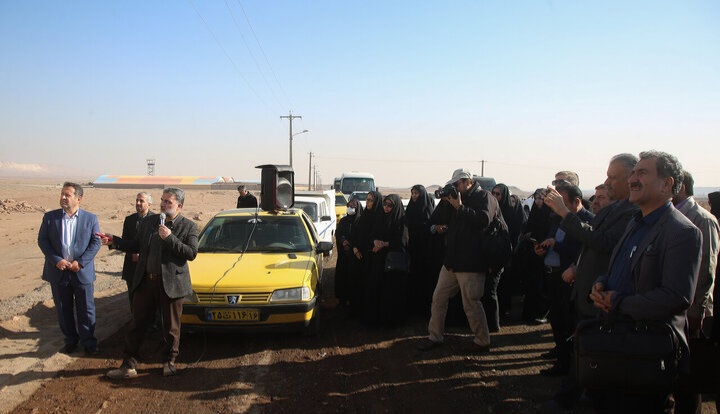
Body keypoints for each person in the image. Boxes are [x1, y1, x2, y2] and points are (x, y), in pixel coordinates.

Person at [590, 150, 701, 414]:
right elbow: (621, 268)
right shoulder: (635, 223)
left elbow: (676, 297)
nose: (632, 180)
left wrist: (619, 302)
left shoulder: (682, 232)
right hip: (615, 344)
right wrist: (602, 283)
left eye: (642, 173)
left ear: (667, 184)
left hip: (646, 355)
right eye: (633, 173)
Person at [537, 153, 639, 413]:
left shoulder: (631, 213)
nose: (608, 182)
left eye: (613, 177)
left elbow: (601, 243)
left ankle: (570, 399)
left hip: (603, 296)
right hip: (589, 290)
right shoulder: (614, 210)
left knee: (592, 350)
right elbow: (590, 245)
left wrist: (564, 212)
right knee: (582, 346)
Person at [105, 187, 199, 379]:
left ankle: (169, 361)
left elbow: (191, 253)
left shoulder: (188, 226)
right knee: (137, 324)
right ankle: (129, 365)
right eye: (162, 200)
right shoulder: (149, 222)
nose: (163, 204)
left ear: (179, 206)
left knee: (171, 327)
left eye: (168, 202)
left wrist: (169, 238)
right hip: (146, 282)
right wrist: (114, 241)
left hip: (171, 284)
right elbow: (135, 245)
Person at [418, 168, 499, 353]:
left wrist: (459, 207)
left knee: (471, 303)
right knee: (438, 298)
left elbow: (484, 220)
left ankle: (482, 341)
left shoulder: (484, 197)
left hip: (471, 262)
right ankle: (435, 337)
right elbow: (438, 219)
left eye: (457, 184)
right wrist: (446, 200)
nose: (455, 187)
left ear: (467, 181)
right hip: (452, 261)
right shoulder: (456, 199)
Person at [536, 182, 594, 376]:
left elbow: (582, 251)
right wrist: (543, 249)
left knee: (567, 322)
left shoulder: (587, 222)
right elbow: (552, 239)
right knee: (556, 319)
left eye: (562, 202)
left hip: (568, 279)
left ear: (576, 201)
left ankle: (568, 364)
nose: (557, 206)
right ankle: (560, 357)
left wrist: (556, 245)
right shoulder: (557, 218)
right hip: (553, 275)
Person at [37, 182, 102, 355]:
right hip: (58, 272)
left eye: (68, 195)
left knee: (86, 309)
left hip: (81, 271)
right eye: (62, 194)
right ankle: (70, 341)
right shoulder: (50, 218)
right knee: (63, 309)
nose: (63, 197)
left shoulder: (90, 219)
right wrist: (56, 260)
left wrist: (80, 262)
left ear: (78, 198)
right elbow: (43, 240)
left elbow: (96, 242)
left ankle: (89, 342)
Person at [672, 170, 719, 337]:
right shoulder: (672, 216)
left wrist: (697, 310)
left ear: (681, 188)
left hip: (693, 311)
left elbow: (707, 266)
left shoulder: (702, 219)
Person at [105, 192, 155, 307]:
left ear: (149, 204)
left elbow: (155, 245)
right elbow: (125, 243)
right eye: (137, 200)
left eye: (141, 201)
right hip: (132, 267)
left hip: (148, 269)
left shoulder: (155, 220)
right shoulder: (129, 220)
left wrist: (142, 255)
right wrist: (113, 241)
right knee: (134, 301)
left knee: (148, 302)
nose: (138, 203)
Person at [366, 194, 408, 326]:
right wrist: (375, 241)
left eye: (390, 205)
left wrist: (384, 244)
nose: (386, 207)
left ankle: (390, 321)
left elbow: (402, 241)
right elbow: (371, 234)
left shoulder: (401, 220)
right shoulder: (379, 218)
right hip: (378, 261)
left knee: (390, 292)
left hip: (392, 264)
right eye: (385, 204)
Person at [490, 183, 527, 329]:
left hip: (508, 254)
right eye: (493, 193)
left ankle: (502, 313)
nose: (495, 196)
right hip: (494, 253)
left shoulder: (512, 213)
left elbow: (516, 233)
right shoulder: (491, 209)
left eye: (498, 194)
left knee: (504, 284)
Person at [348, 190, 383, 318]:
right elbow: (356, 234)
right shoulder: (364, 216)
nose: (367, 202)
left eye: (370, 200)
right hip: (358, 256)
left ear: (376, 202)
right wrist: (355, 248)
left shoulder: (380, 219)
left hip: (371, 258)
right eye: (367, 199)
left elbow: (375, 238)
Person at [404, 184, 435, 316]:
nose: (414, 196)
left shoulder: (427, 210)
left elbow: (430, 228)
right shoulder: (410, 208)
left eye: (416, 193)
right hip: (412, 249)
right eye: (412, 193)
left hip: (425, 251)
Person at [334, 197, 363, 308]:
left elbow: (361, 237)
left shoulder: (361, 221)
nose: (350, 208)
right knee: (342, 276)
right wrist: (343, 241)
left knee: (354, 278)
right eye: (348, 206)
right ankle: (342, 299)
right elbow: (339, 233)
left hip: (355, 256)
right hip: (344, 255)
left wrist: (352, 244)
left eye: (353, 206)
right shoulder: (343, 221)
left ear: (358, 207)